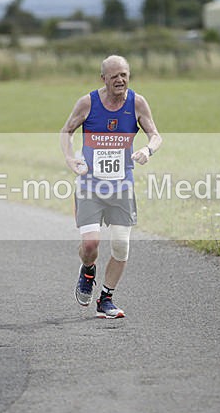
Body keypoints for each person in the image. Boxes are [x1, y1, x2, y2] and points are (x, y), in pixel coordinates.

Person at [60, 54, 162, 319]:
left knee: (120, 246)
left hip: (121, 187)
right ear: (103, 78)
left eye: (124, 74)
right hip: (90, 186)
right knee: (91, 245)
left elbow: (155, 135)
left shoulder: (137, 102)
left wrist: (147, 151)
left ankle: (106, 298)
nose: (120, 80)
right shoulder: (87, 103)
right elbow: (66, 131)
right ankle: (88, 270)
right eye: (114, 75)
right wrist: (71, 159)